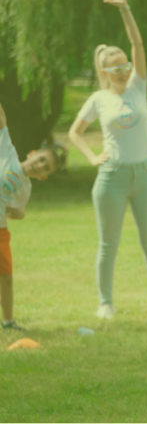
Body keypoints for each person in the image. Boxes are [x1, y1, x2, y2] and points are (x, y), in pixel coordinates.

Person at [68, 0, 147, 319]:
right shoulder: (99, 99)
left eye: (126, 65)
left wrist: (124, 8)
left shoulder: (138, 86)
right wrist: (92, 157)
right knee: (109, 245)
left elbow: (138, 42)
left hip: (146, 175)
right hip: (112, 178)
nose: (124, 70)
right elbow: (75, 133)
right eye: (116, 68)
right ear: (104, 72)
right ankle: (105, 303)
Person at [0, 101, 65, 331]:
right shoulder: (7, 151)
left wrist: (18, 213)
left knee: (6, 277)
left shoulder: (26, 188)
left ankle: (8, 321)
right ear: (32, 153)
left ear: (44, 177)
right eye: (40, 159)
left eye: (45, 167)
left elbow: (18, 210)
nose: (39, 165)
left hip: (1, 231)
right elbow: (2, 121)